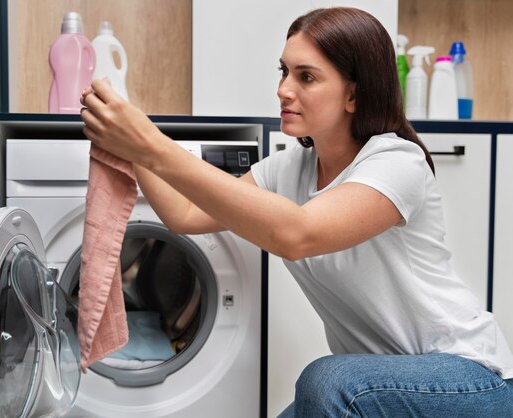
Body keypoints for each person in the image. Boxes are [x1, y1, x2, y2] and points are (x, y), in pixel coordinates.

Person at [80, 6, 513, 417]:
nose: (283, 89)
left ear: (353, 95)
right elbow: (186, 215)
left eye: (306, 76)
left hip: (470, 379)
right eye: (284, 71)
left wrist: (151, 144)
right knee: (327, 389)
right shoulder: (288, 168)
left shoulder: (396, 162)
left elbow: (296, 235)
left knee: (326, 381)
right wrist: (133, 145)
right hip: (374, 384)